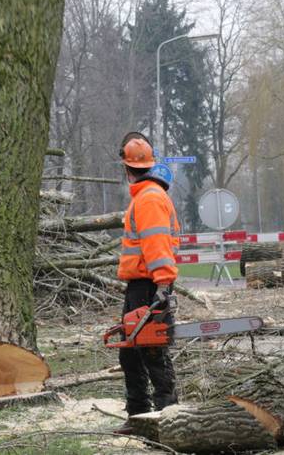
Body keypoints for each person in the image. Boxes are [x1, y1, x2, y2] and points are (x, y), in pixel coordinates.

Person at [114, 132, 180, 434]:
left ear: (127, 168)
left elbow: (157, 245)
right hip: (141, 285)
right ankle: (139, 416)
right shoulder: (145, 196)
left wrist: (163, 285)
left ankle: (167, 415)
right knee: (130, 351)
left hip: (149, 285)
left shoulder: (149, 198)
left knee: (152, 351)